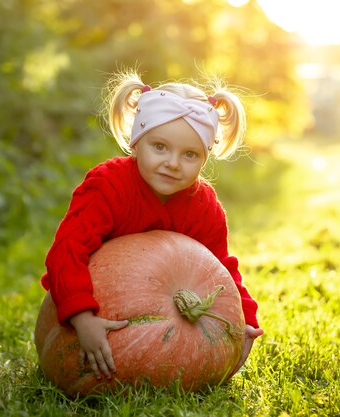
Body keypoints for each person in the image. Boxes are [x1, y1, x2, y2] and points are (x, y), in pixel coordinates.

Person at [40, 70, 264, 381]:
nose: (173, 162)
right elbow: (67, 249)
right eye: (160, 147)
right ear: (136, 142)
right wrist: (82, 317)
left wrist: (245, 320)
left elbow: (221, 269)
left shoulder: (203, 206)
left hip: (162, 329)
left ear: (204, 158)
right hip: (93, 308)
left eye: (189, 154)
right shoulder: (107, 187)